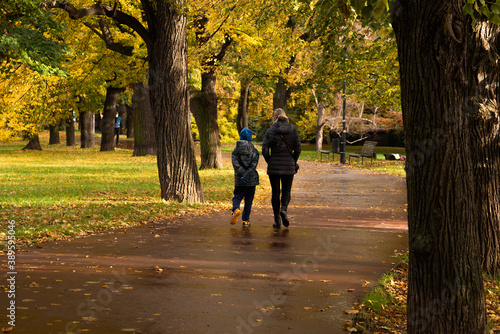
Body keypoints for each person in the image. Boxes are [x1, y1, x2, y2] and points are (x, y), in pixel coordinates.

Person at [262, 108, 301, 229]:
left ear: (275, 117)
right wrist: (293, 160)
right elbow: (298, 148)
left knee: (275, 192)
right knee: (286, 191)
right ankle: (284, 209)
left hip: (274, 166)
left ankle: (276, 220)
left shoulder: (270, 130)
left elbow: (264, 149)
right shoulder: (292, 129)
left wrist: (270, 160)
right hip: (288, 166)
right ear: (285, 116)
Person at [230, 127, 260, 227]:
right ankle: (245, 220)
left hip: (240, 180)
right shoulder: (255, 151)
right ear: (250, 138)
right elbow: (253, 165)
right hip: (251, 179)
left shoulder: (235, 151)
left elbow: (236, 165)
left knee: (237, 196)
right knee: (249, 199)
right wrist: (247, 175)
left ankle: (236, 209)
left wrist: (243, 175)